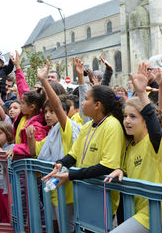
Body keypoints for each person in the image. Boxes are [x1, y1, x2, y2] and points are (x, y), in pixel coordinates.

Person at [41, 84, 126, 217]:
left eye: (86, 99)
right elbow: (73, 155)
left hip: (102, 198)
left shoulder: (112, 125)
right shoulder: (87, 126)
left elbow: (108, 166)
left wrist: (71, 176)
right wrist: (60, 164)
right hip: (84, 193)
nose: (82, 102)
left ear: (97, 105)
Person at [104, 63, 162, 233]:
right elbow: (126, 170)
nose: (127, 121)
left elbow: (154, 126)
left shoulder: (154, 141)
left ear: (145, 120)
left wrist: (141, 93)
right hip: (136, 211)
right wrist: (120, 170)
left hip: (153, 211)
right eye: (125, 116)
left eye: (133, 117)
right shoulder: (130, 147)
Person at [26, 59, 81, 232]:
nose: (48, 115)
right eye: (46, 112)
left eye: (52, 112)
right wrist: (30, 139)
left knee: (69, 228)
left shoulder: (67, 127)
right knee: (57, 226)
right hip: (54, 190)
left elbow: (57, 105)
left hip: (68, 192)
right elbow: (36, 151)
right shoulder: (52, 131)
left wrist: (44, 81)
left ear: (63, 113)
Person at [6, 50, 49, 159]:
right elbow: (23, 90)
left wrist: (15, 149)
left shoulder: (37, 126)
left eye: (22, 103)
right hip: (21, 162)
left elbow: (33, 147)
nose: (21, 104)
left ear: (32, 107)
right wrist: (18, 67)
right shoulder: (24, 116)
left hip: (31, 168)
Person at [0, 121, 15, 223]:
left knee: (9, 213)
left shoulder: (12, 147)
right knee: (1, 214)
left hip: (7, 187)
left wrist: (1, 155)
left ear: (8, 133)